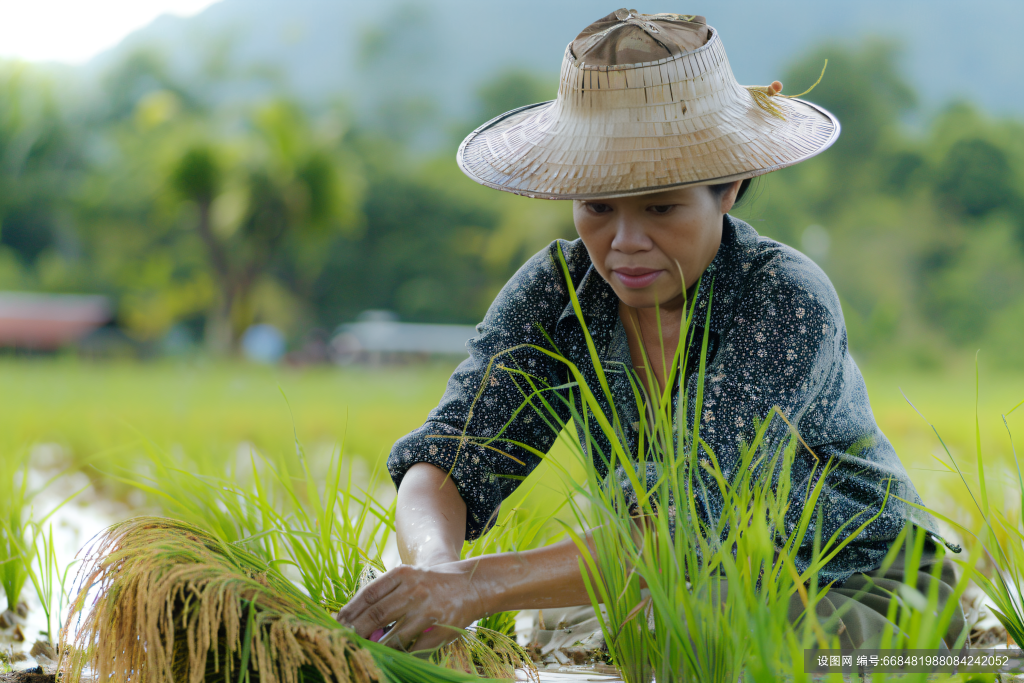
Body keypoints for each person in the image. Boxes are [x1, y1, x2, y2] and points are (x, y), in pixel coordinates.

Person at [337, 10, 965, 654]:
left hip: (858, 582)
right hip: (683, 585)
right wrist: (435, 574)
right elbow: (449, 457)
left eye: (662, 207)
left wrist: (476, 585)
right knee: (624, 620)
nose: (626, 244)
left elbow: (683, 527)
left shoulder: (783, 298)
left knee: (689, 630)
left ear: (730, 189)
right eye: (599, 207)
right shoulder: (559, 291)